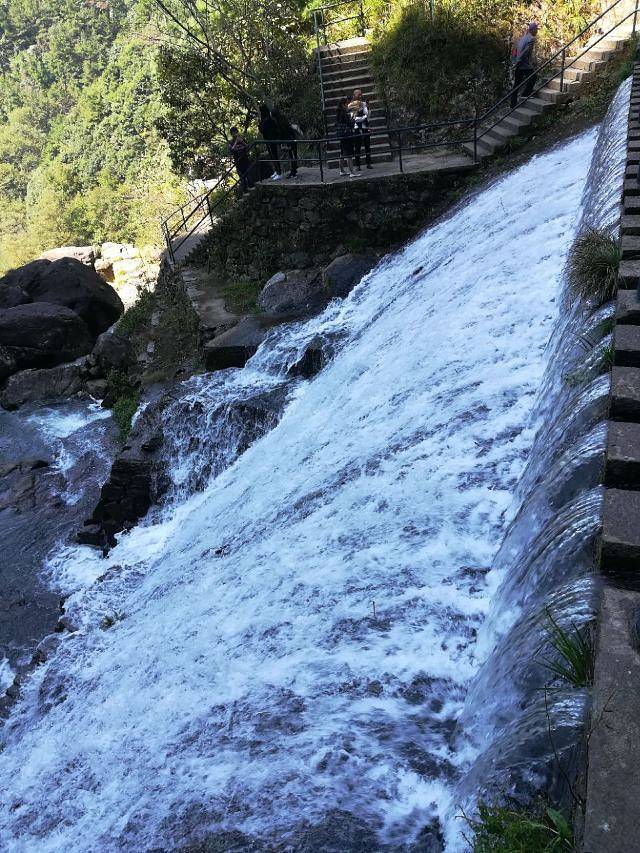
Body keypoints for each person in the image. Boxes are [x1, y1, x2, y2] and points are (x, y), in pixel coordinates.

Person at [510, 22, 539, 108]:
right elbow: (525, 52)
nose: (537, 31)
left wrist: (514, 61)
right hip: (523, 64)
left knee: (517, 84)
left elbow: (515, 50)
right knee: (533, 77)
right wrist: (519, 61)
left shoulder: (523, 38)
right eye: (536, 29)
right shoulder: (531, 39)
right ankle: (525, 94)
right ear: (532, 30)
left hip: (519, 64)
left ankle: (513, 104)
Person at [335, 96, 360, 177]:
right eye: (346, 103)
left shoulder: (338, 113)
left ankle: (342, 170)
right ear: (343, 104)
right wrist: (353, 118)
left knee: (342, 153)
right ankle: (352, 172)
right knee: (349, 154)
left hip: (341, 135)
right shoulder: (343, 113)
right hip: (346, 135)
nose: (347, 105)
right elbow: (350, 124)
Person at [272, 106, 299, 179]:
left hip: (288, 140)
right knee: (293, 155)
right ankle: (294, 170)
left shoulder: (278, 122)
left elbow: (282, 132)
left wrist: (280, 141)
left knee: (291, 155)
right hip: (292, 138)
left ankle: (293, 172)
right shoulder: (283, 118)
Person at [349, 88, 373, 170]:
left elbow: (368, 115)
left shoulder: (363, 104)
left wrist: (368, 109)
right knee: (357, 147)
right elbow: (353, 118)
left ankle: (368, 163)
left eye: (361, 94)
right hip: (356, 128)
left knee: (367, 146)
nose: (360, 96)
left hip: (365, 127)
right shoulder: (351, 105)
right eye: (358, 94)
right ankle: (358, 165)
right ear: (354, 95)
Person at [259, 104, 281, 180]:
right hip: (270, 140)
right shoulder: (269, 119)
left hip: (271, 140)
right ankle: (276, 171)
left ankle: (279, 172)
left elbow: (264, 130)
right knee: (273, 156)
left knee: (274, 156)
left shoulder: (267, 120)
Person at [227, 127, 252, 193]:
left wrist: (242, 141)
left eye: (236, 132)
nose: (235, 133)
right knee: (242, 178)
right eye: (234, 132)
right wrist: (236, 142)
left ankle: (251, 187)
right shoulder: (231, 142)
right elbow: (231, 150)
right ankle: (245, 191)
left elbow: (248, 147)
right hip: (238, 162)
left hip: (245, 160)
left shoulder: (242, 139)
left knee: (248, 175)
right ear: (231, 134)